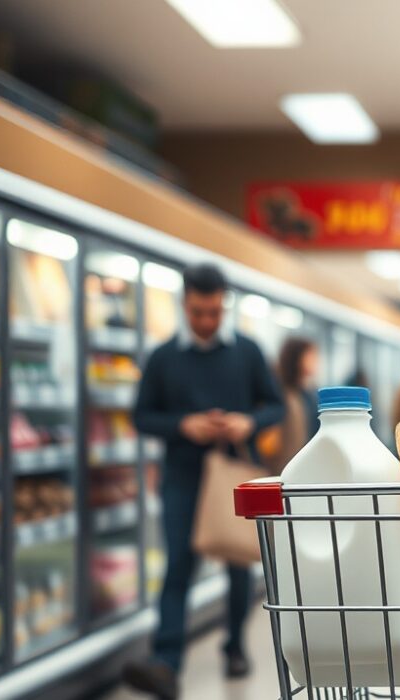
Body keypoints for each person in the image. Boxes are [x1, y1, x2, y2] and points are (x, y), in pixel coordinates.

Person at [123, 263, 284, 699]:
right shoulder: (163, 358)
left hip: (233, 475)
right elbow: (141, 416)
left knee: (237, 562)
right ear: (184, 304)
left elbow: (276, 406)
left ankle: (234, 646)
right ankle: (166, 662)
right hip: (182, 477)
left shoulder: (247, 352)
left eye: (214, 312)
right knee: (178, 564)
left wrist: (248, 422)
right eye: (198, 311)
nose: (207, 321)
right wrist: (183, 426)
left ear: (223, 305)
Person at [275, 336, 320, 467]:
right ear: (297, 358)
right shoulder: (282, 392)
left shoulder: (312, 392)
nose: (316, 361)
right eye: (310, 356)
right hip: (288, 463)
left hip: (311, 461)